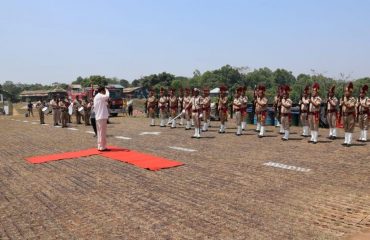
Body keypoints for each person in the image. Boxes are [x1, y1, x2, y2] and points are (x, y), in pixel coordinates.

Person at [94, 86, 110, 151]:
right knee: (102, 132)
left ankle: (100, 146)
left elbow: (106, 103)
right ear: (102, 91)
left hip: (99, 117)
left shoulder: (97, 97)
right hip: (102, 117)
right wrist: (107, 90)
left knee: (100, 132)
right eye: (104, 91)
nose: (105, 92)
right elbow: (107, 96)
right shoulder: (100, 95)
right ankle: (102, 147)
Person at [340, 82, 356, 146]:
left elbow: (350, 107)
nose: (346, 93)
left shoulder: (353, 99)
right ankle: (346, 141)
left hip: (350, 115)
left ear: (350, 92)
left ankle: (349, 141)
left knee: (350, 128)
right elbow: (340, 107)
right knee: (345, 128)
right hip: (344, 115)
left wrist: (344, 104)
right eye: (345, 91)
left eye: (347, 92)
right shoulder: (343, 98)